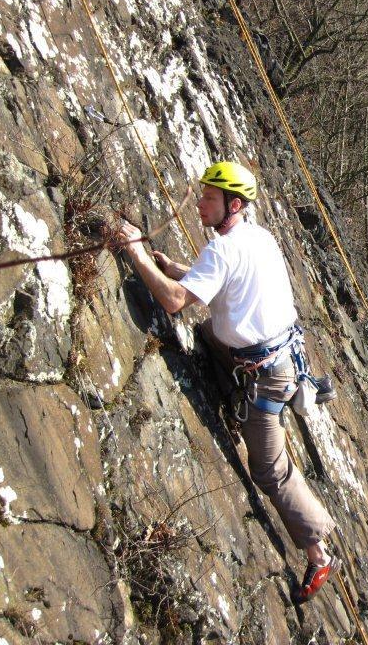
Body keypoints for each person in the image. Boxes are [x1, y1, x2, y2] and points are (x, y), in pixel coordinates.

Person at [114, 160, 339, 603]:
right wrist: (178, 268)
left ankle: (318, 550)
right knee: (207, 334)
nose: (200, 203)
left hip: (267, 376)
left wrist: (138, 255)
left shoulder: (222, 249)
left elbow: (177, 302)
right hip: (280, 355)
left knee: (268, 470)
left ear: (232, 204)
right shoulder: (258, 237)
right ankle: (242, 403)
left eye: (209, 198)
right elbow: (225, 286)